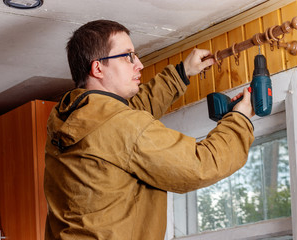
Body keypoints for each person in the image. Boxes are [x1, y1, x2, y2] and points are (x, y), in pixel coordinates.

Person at [44, 20, 254, 240]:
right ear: (98, 68)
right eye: (128, 56)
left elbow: (128, 116)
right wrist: (239, 119)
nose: (139, 64)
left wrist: (182, 73)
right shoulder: (120, 125)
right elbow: (201, 165)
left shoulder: (69, 115)